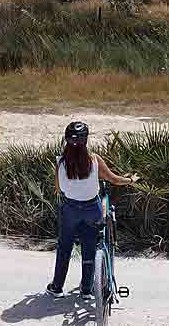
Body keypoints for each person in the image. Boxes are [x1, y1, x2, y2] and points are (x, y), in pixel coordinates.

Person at [46, 121, 137, 299]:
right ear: (85, 140)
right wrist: (131, 180)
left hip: (70, 209)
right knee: (89, 247)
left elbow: (59, 190)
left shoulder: (61, 162)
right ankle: (87, 289)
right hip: (91, 209)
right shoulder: (93, 159)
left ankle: (57, 287)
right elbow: (114, 179)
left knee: (64, 247)